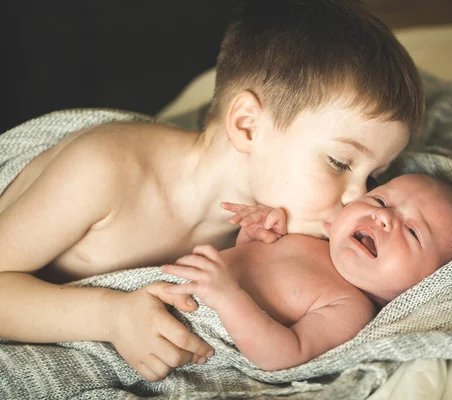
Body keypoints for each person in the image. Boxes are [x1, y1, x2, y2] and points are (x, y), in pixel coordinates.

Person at [0, 0, 424, 382]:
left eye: (373, 178)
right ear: (246, 125)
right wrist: (107, 316)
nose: (358, 197)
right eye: (339, 162)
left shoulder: (273, 227)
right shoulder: (105, 172)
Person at [162, 174, 452, 370]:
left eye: (412, 231)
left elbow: (283, 354)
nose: (383, 216)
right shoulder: (311, 236)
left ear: (426, 285)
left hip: (183, 331)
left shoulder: (350, 307)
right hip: (165, 285)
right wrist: (253, 234)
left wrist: (229, 297)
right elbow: (251, 260)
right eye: (380, 198)